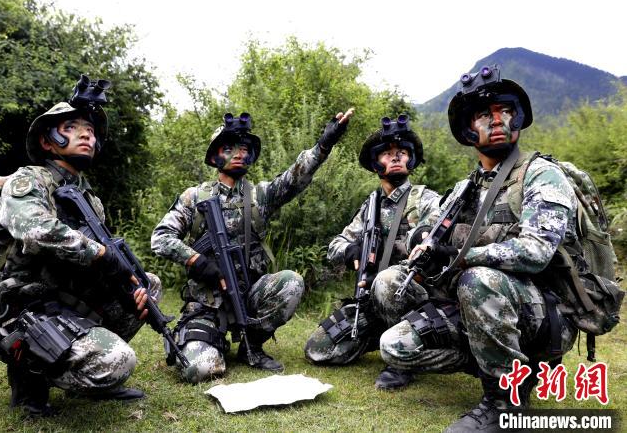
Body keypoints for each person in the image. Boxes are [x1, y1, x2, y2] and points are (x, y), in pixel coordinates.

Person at [378, 65, 578, 432]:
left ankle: (505, 402)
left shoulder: (540, 174)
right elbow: (429, 230)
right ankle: (501, 363)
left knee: (478, 279)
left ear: (518, 119)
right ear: (469, 128)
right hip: (476, 302)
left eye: (505, 111)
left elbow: (536, 252)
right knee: (394, 328)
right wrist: (423, 245)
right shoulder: (465, 188)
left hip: (543, 311)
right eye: (485, 114)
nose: (498, 119)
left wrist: (459, 257)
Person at [0, 76, 161, 416]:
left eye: (90, 130)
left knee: (146, 285)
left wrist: (123, 281)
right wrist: (101, 254)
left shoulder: (89, 199)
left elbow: (94, 263)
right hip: (24, 303)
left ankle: (90, 372)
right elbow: (36, 231)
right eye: (71, 127)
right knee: (118, 360)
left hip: (64, 296)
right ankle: (29, 379)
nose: (86, 134)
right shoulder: (28, 180)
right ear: (48, 141)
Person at [151, 109, 353, 383]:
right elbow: (161, 238)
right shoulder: (193, 197)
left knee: (292, 282)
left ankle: (252, 344)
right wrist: (197, 261)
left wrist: (323, 145)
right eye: (229, 148)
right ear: (215, 156)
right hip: (206, 303)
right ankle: (213, 340)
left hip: (249, 296)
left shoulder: (260, 196)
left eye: (244, 149)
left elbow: (294, 178)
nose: (238, 153)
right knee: (198, 370)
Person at [303, 115, 441, 391]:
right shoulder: (371, 207)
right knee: (318, 348)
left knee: (387, 280)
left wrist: (408, 248)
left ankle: (402, 360)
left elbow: (435, 239)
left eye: (402, 152)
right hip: (374, 302)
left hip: (416, 296)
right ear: (375, 163)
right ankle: (383, 335)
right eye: (387, 154)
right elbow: (335, 245)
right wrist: (351, 250)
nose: (396, 157)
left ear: (411, 160)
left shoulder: (426, 199)